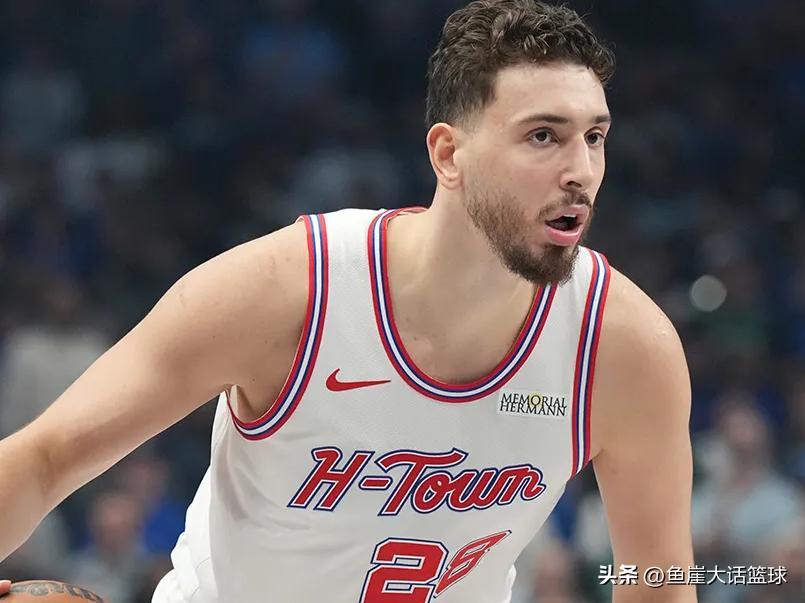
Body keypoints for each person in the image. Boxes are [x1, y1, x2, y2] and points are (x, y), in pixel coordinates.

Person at [0, 1, 697, 601]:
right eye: (543, 136)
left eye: (594, 137)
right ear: (448, 155)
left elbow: (659, 583)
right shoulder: (285, 290)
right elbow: (45, 457)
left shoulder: (625, 347)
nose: (580, 170)